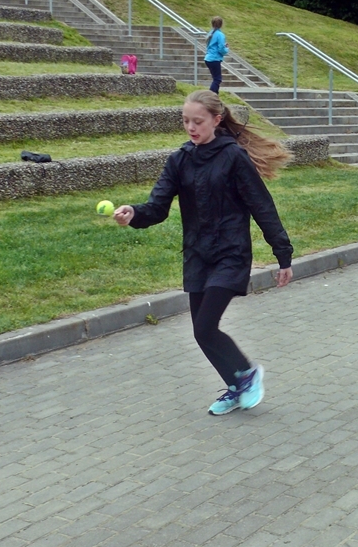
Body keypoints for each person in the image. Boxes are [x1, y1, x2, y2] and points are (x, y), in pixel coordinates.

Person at [113, 90, 294, 415]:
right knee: (201, 332)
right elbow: (157, 207)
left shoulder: (233, 157)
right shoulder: (180, 160)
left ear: (216, 120)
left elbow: (262, 206)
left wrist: (283, 255)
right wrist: (134, 214)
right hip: (198, 255)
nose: (191, 127)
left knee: (206, 326)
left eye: (197, 121)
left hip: (230, 253)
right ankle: (236, 387)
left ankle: (247, 374)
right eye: (186, 121)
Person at [204, 17, 229, 94]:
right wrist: (226, 49)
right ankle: (211, 95)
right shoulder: (220, 35)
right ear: (221, 25)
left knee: (215, 78)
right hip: (215, 59)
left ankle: (215, 95)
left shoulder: (211, 33)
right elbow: (221, 49)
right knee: (217, 79)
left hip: (208, 58)